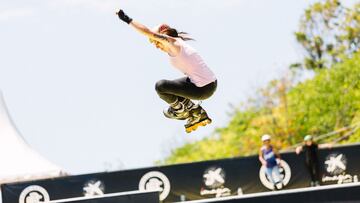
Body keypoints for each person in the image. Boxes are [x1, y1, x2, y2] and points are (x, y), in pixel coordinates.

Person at [116, 9, 217, 133]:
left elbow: (146, 32)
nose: (156, 46)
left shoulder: (172, 42)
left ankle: (181, 111)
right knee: (168, 88)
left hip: (203, 88)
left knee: (161, 86)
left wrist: (127, 19)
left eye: (155, 41)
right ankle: (196, 112)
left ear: (163, 33)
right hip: (204, 83)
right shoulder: (178, 45)